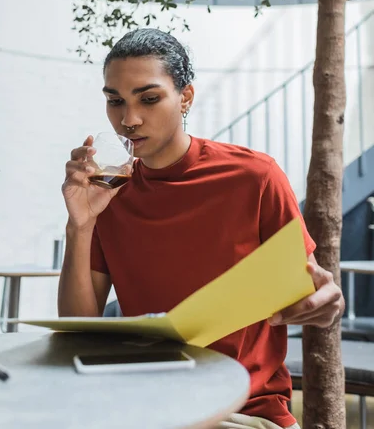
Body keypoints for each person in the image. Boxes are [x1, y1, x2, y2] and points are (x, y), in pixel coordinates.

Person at [58, 28, 344, 429]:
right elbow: (79, 332)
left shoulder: (255, 177)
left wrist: (327, 303)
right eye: (115, 101)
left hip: (243, 410)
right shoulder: (109, 196)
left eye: (150, 98)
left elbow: (314, 292)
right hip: (149, 403)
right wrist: (80, 225)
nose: (129, 120)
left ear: (186, 97)